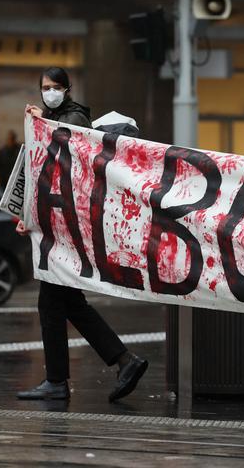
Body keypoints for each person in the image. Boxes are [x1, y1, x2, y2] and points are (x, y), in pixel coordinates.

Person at [17, 66, 148, 402]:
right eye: (44, 86)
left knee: (52, 303)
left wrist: (42, 124)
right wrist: (27, 213)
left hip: (70, 228)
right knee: (69, 303)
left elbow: (70, 141)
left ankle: (59, 381)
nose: (49, 91)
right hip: (61, 225)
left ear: (67, 88)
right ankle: (123, 361)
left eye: (55, 86)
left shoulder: (74, 117)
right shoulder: (52, 117)